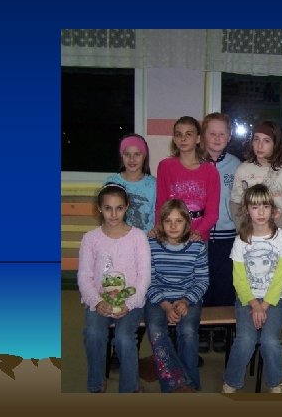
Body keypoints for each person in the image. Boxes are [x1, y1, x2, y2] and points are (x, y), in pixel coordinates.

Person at [78, 183, 151, 393]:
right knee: (93, 333)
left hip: (130, 302)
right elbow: (84, 276)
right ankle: (96, 383)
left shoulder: (138, 237)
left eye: (119, 208)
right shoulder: (90, 239)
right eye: (108, 208)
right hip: (100, 299)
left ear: (126, 207)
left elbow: (144, 277)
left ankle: (130, 387)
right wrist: (97, 301)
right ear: (99, 208)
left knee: (124, 338)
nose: (113, 214)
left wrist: (129, 303)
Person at [222, 184, 282, 393]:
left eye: (265, 206)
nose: (261, 212)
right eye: (255, 207)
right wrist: (254, 304)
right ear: (246, 210)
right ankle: (231, 382)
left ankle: (275, 383)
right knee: (246, 340)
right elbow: (239, 279)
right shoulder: (241, 240)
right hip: (247, 299)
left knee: (270, 341)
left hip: (274, 300)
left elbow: (281, 278)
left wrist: (265, 305)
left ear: (273, 209)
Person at [143, 199, 208, 392]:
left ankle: (189, 384)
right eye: (168, 221)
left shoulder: (197, 246)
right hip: (158, 298)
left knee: (187, 331)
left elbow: (202, 280)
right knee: (155, 329)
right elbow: (148, 280)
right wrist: (164, 305)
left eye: (178, 221)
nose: (173, 226)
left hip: (188, 298)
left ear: (187, 223)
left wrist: (186, 300)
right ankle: (178, 384)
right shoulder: (151, 245)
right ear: (161, 223)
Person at [200, 112, 241, 353]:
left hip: (228, 236)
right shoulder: (194, 162)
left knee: (226, 285)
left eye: (222, 133)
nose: (217, 138)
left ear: (229, 136)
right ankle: (203, 330)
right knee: (203, 283)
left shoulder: (237, 165)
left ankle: (222, 330)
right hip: (200, 236)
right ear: (203, 136)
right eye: (212, 133)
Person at [155, 116, 221, 241]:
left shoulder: (210, 171)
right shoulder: (165, 166)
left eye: (188, 134)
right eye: (178, 134)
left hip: (198, 237)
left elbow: (212, 213)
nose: (183, 139)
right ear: (174, 139)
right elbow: (161, 204)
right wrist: (159, 228)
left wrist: (198, 232)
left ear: (198, 138)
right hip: (171, 234)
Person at [230, 120, 282, 231]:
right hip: (249, 232)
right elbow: (235, 205)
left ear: (275, 144)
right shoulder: (242, 169)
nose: (260, 145)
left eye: (266, 141)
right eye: (256, 139)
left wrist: (272, 232)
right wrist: (244, 231)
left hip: (275, 232)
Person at [105, 133, 156, 235]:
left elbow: (159, 213)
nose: (132, 159)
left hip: (146, 240)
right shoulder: (112, 182)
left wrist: (156, 230)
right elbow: (106, 214)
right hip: (118, 238)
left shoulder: (154, 184)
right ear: (121, 156)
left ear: (144, 156)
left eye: (137, 154)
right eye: (127, 154)